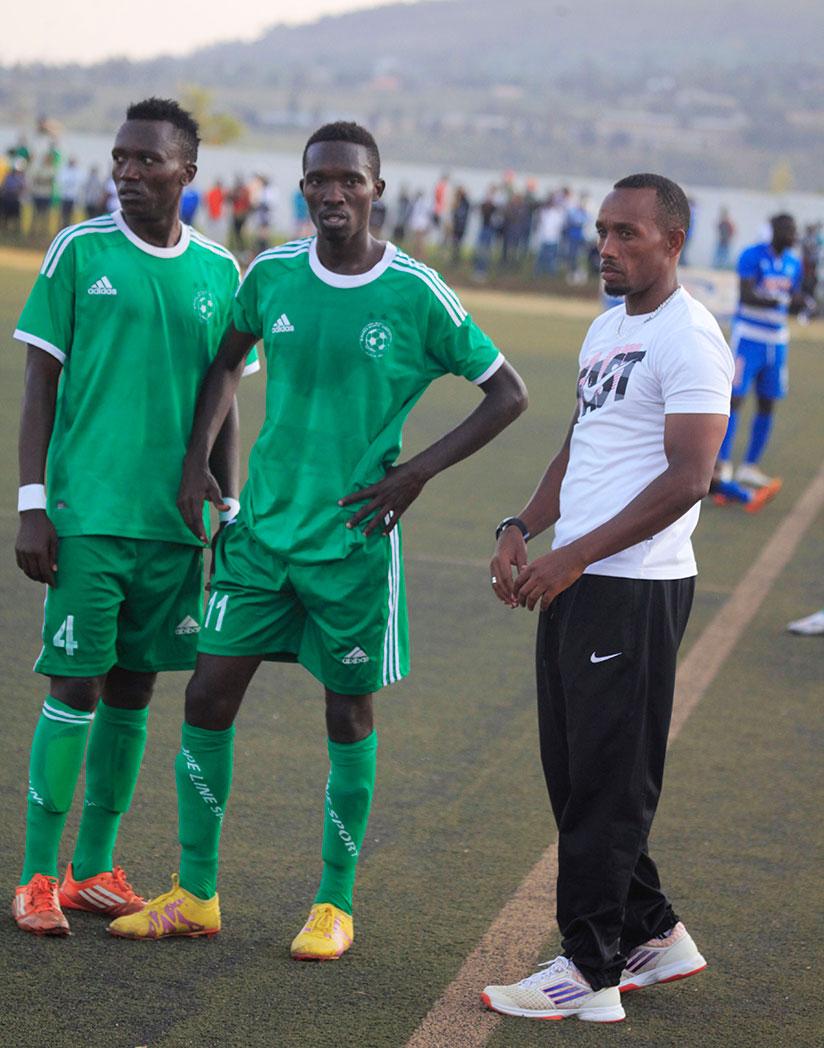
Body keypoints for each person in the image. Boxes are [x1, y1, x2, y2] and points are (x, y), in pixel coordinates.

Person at [107, 121, 528, 957]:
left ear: (377, 189)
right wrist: (199, 464)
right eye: (317, 182)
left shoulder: (415, 292)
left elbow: (506, 393)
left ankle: (333, 906)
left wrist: (415, 474)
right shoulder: (271, 274)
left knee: (346, 711)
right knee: (204, 696)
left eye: (348, 181)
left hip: (352, 546)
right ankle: (196, 893)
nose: (331, 195)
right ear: (303, 190)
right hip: (261, 534)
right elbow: (226, 362)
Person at [481, 173, 733, 1023]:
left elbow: (690, 478)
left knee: (605, 785)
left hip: (631, 589)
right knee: (578, 775)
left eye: (628, 234)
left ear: (672, 242)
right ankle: (654, 932)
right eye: (602, 231)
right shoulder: (605, 327)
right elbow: (580, 442)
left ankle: (590, 973)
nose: (608, 247)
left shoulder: (690, 337)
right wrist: (523, 525)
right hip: (581, 582)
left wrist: (575, 557)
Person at [11, 97, 258, 937]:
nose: (127, 173)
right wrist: (33, 505)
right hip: (87, 514)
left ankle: (93, 869)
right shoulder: (80, 250)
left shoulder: (223, 273)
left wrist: (229, 508)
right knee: (74, 684)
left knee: (135, 688)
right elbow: (40, 383)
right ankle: (37, 876)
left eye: (147, 161)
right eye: (120, 158)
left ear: (188, 173)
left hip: (175, 527)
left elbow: (222, 405)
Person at [716, 214, 804, 490]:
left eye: (793, 229)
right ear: (773, 230)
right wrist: (783, 299)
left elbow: (796, 298)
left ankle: (750, 466)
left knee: (768, 401)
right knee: (734, 400)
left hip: (776, 342)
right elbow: (747, 295)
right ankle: (722, 464)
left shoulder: (793, 262)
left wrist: (803, 304)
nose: (792, 234)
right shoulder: (752, 255)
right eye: (786, 229)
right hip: (749, 339)